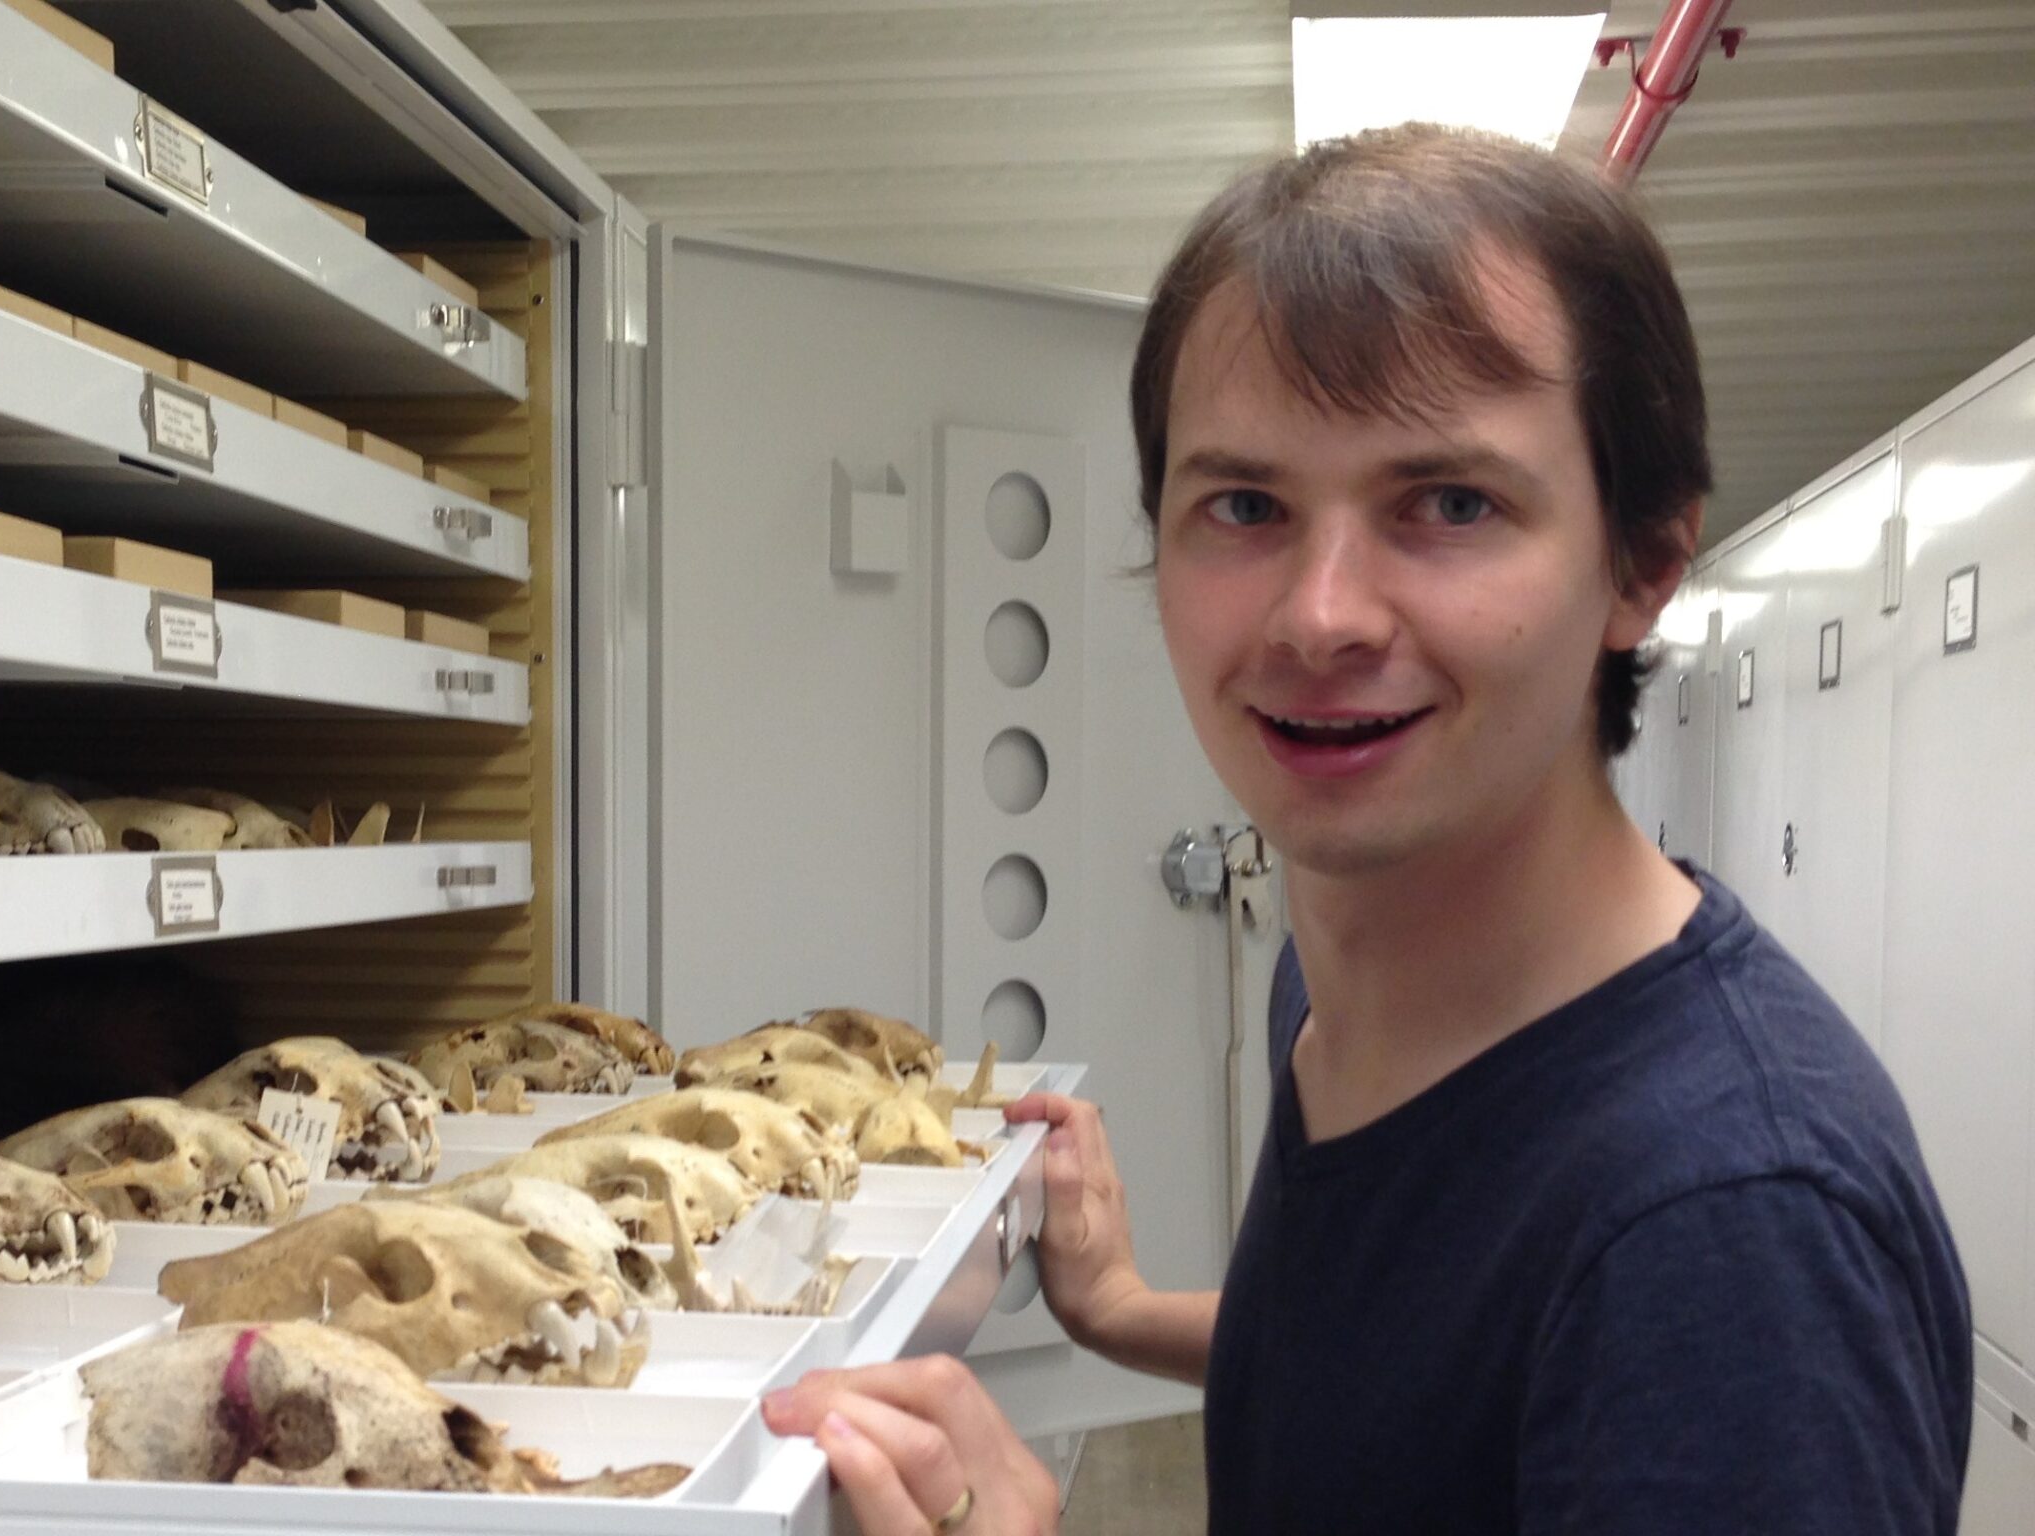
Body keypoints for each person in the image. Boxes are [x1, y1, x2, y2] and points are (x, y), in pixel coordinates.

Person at [762, 123, 1972, 1534]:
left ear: (1642, 563)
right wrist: (1126, 1312)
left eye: (1449, 503)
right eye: (1246, 506)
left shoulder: (1726, 1236)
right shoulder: (1340, 998)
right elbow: (1417, 1387)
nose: (1321, 615)